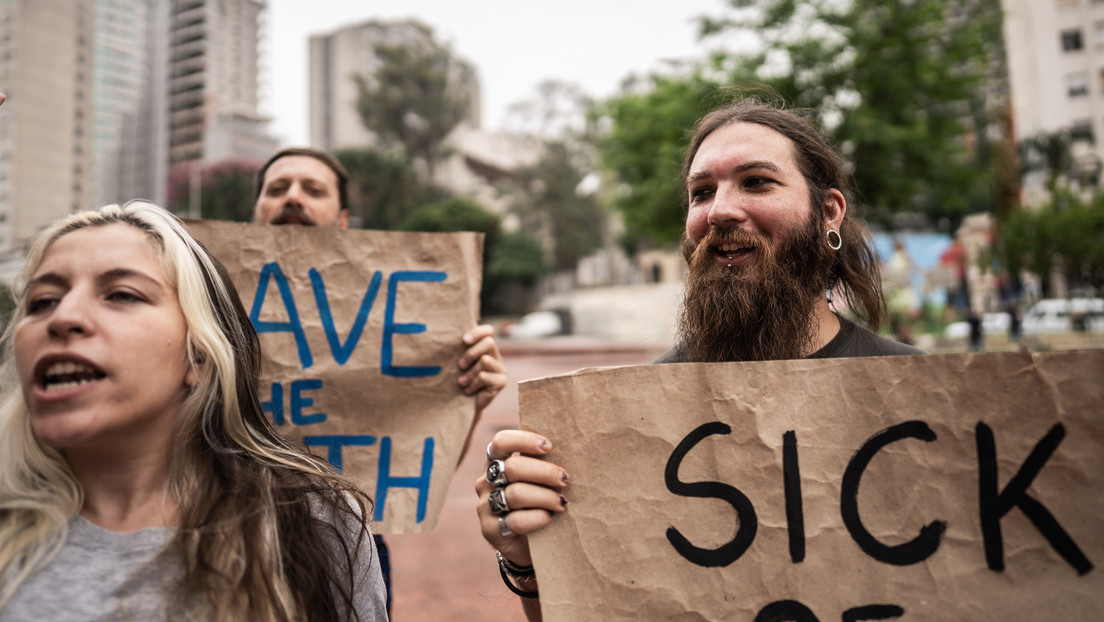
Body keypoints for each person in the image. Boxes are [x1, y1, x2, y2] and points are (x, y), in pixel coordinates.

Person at [474, 97, 924, 620]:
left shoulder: (915, 393)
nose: (720, 210)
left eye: (757, 181)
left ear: (828, 212)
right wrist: (533, 563)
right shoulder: (628, 419)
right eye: (701, 192)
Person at [0, 201, 387, 620]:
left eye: (121, 294)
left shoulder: (316, 525)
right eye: (42, 301)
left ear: (198, 356)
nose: (64, 317)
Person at [253, 146, 508, 612]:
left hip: (348, 551)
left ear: (343, 220)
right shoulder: (204, 303)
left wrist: (468, 402)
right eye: (277, 188)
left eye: (312, 190)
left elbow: (407, 483)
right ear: (255, 214)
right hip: (223, 538)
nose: (293, 198)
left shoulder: (390, 318)